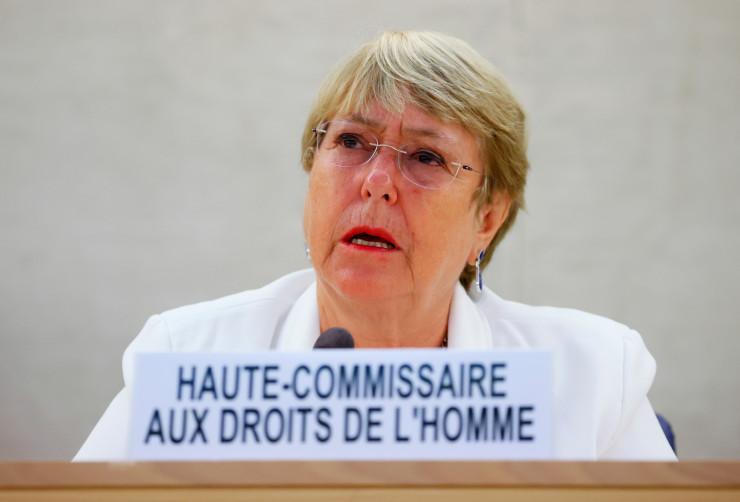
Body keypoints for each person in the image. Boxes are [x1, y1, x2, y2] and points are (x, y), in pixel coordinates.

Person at [75, 31, 676, 460]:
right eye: (351, 142)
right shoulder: (188, 358)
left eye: (426, 157)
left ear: (487, 218)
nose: (377, 182)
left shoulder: (592, 376)